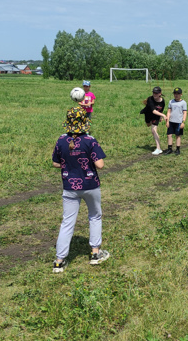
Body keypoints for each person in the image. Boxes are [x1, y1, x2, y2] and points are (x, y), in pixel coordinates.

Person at [51, 105, 109, 273]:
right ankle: (95, 254)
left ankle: (59, 261)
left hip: (69, 186)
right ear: (84, 122)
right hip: (91, 185)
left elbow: (55, 162)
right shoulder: (90, 140)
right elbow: (100, 164)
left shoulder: (61, 140)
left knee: (67, 221)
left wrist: (69, 163)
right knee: (95, 216)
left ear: (68, 123)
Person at [142, 86, 167, 155]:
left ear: (160, 93)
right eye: (154, 93)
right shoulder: (150, 99)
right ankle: (158, 148)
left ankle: (158, 148)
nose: (155, 94)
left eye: (156, 93)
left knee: (153, 130)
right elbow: (153, 111)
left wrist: (160, 116)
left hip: (156, 116)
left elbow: (161, 110)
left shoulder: (163, 101)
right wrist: (163, 115)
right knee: (148, 125)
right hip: (148, 114)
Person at [164, 87, 188, 155]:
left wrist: (183, 122)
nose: (176, 95)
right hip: (171, 121)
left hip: (179, 122)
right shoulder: (171, 101)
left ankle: (177, 149)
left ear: (181, 94)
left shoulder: (183, 103)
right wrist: (167, 121)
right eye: (175, 93)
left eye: (178, 94)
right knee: (169, 135)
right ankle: (169, 149)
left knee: (178, 135)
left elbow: (185, 113)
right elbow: (169, 111)